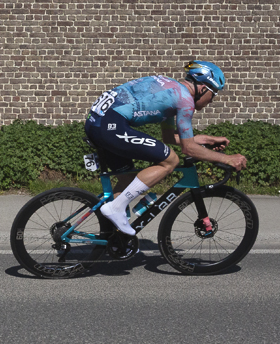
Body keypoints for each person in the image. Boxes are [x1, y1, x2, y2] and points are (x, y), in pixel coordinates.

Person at [84, 60, 247, 236]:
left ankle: (113, 238)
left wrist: (205, 140)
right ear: (203, 88)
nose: (212, 100)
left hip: (99, 123)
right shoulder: (185, 100)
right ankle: (115, 208)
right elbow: (188, 149)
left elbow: (169, 137)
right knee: (170, 161)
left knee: (128, 180)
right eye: (213, 94)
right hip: (110, 125)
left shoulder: (171, 89)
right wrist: (227, 158)